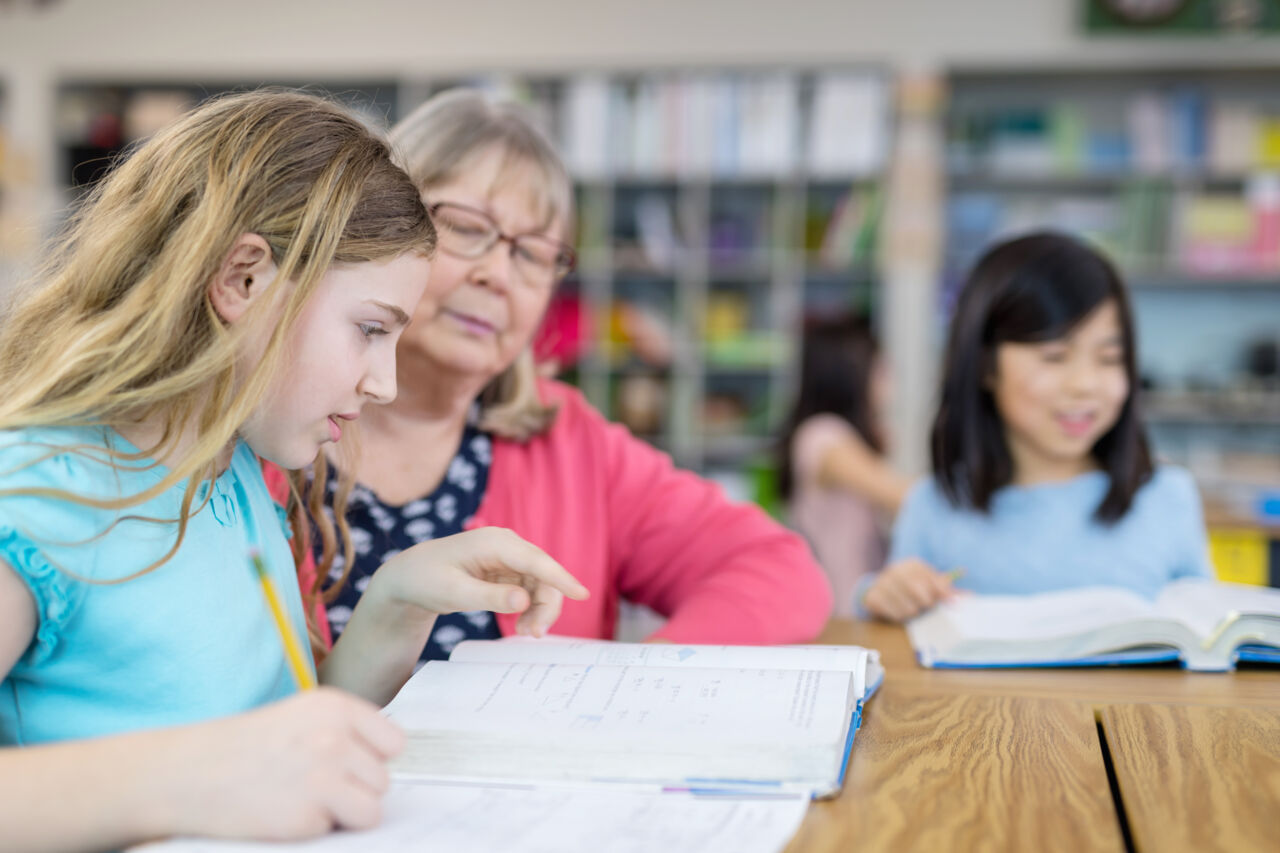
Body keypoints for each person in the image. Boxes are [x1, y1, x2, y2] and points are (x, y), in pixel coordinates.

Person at [0, 90, 587, 852]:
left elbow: (281, 739)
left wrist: (398, 602)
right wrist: (194, 777)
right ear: (243, 278)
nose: (386, 382)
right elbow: (229, 767)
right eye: (370, 329)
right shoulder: (37, 493)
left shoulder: (231, 468)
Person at [275, 89, 831, 660]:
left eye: (534, 254)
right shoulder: (273, 431)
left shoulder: (573, 444)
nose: (499, 274)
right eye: (466, 228)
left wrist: (638, 684)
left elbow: (778, 569)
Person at [856, 232, 1212, 622]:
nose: (1085, 385)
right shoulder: (935, 505)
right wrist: (885, 594)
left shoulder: (1167, 499)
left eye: (1110, 359)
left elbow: (1210, 637)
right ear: (986, 366)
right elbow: (896, 631)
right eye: (1055, 356)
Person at [777, 312, 911, 618]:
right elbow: (902, 496)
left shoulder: (836, 436)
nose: (889, 377)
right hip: (840, 610)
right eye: (880, 367)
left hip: (851, 604)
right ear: (852, 373)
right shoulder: (824, 435)